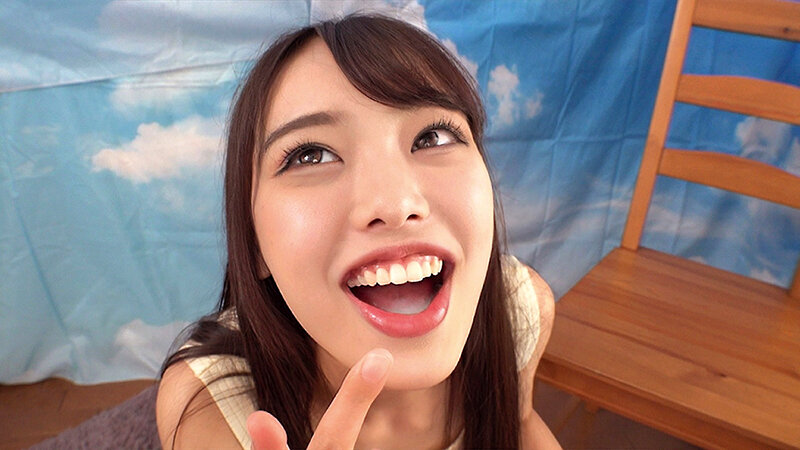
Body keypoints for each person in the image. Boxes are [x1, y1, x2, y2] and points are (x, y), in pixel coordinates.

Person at [156, 14, 559, 449]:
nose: (395, 204)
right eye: (310, 155)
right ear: (253, 244)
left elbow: (519, 419)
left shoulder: (521, 306)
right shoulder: (208, 406)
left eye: (432, 136)